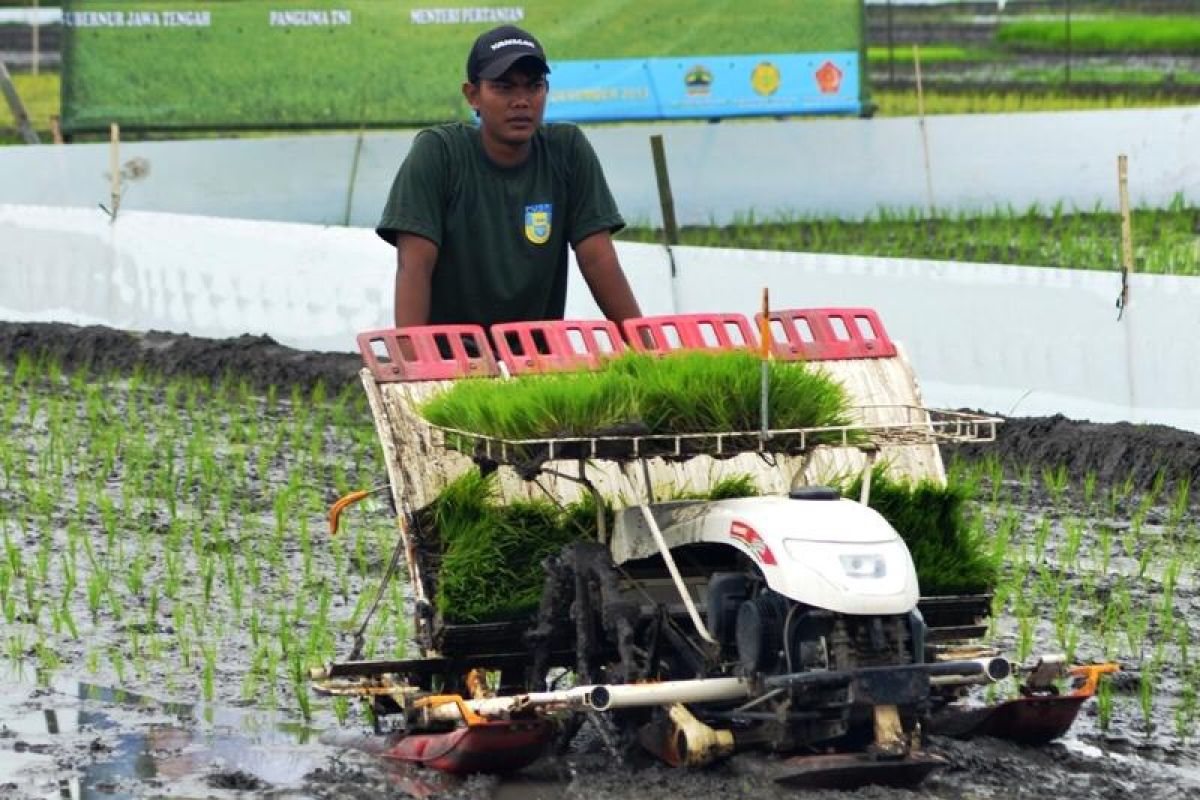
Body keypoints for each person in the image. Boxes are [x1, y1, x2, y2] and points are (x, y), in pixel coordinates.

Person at [376, 25, 643, 331]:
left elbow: (598, 260)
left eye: (534, 86)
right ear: (473, 95)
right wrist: (415, 368)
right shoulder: (440, 153)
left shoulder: (567, 149)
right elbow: (414, 267)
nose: (521, 101)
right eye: (504, 87)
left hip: (535, 355)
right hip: (452, 354)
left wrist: (647, 348)